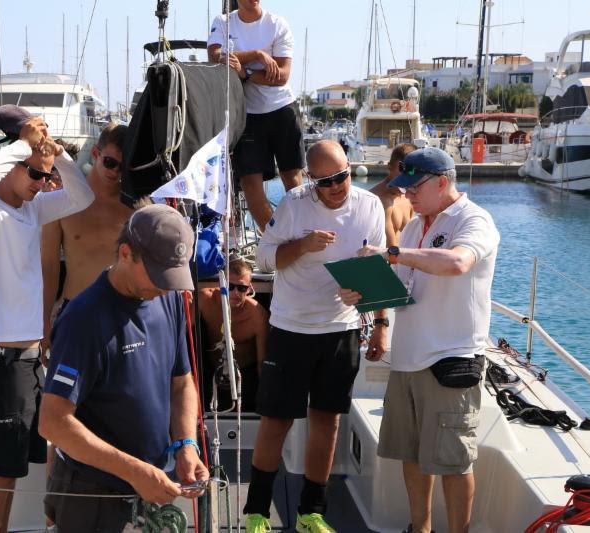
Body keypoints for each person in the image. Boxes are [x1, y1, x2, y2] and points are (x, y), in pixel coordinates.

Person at [339, 147, 500, 533]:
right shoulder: (415, 225)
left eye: (414, 187)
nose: (406, 194)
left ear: (443, 182)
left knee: (453, 461)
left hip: (449, 359)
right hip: (407, 359)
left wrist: (391, 253)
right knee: (410, 456)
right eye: (404, 186)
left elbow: (458, 262)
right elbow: (402, 290)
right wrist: (362, 291)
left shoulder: (474, 220)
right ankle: (420, 528)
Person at [0, 104, 95, 533]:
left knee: (12, 470)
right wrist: (23, 145)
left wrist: (56, 154)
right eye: (35, 174)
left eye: (46, 175)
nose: (42, 184)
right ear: (13, 164)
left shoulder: (32, 210)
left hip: (29, 361)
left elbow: (81, 196)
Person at [39, 204, 209, 532]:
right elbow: (53, 422)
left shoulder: (169, 297)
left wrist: (186, 444)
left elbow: (181, 382)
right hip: (92, 498)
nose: (166, 286)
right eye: (159, 273)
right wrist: (134, 472)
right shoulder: (83, 320)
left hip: (151, 487)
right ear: (126, 253)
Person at [245, 140, 387, 532]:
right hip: (290, 328)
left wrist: (379, 321)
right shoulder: (293, 204)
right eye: (326, 181)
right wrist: (303, 246)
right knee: (277, 422)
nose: (337, 186)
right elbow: (263, 257)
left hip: (341, 330)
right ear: (310, 180)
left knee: (328, 423)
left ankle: (312, 512)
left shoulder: (369, 206)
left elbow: (373, 266)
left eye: (342, 176)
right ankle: (255, 511)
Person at [208, 0, 304, 232]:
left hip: (282, 108)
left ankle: (302, 234)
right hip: (247, 114)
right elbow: (216, 57)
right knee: (250, 185)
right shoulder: (223, 22)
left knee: (293, 181)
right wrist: (259, 55)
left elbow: (281, 76)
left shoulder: (277, 24)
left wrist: (245, 72)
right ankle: (275, 239)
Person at [41, 124, 132, 355]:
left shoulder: (134, 208)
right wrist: (44, 323)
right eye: (110, 163)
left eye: (122, 167)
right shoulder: (62, 202)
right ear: (95, 154)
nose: (114, 172)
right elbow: (49, 267)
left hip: (121, 314)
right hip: (75, 312)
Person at [197, 257, 269, 412]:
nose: (235, 293)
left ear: (249, 289)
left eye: (241, 288)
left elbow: (262, 361)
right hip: (211, 372)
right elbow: (184, 334)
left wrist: (264, 398)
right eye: (229, 286)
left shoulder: (257, 315)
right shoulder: (204, 300)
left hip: (245, 376)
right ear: (221, 284)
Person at [370, 143, 417, 247]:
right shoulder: (380, 200)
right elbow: (391, 247)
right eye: (400, 175)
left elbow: (413, 237)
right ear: (389, 167)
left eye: (409, 175)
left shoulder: (409, 197)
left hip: (403, 259)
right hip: (388, 260)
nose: (404, 181)